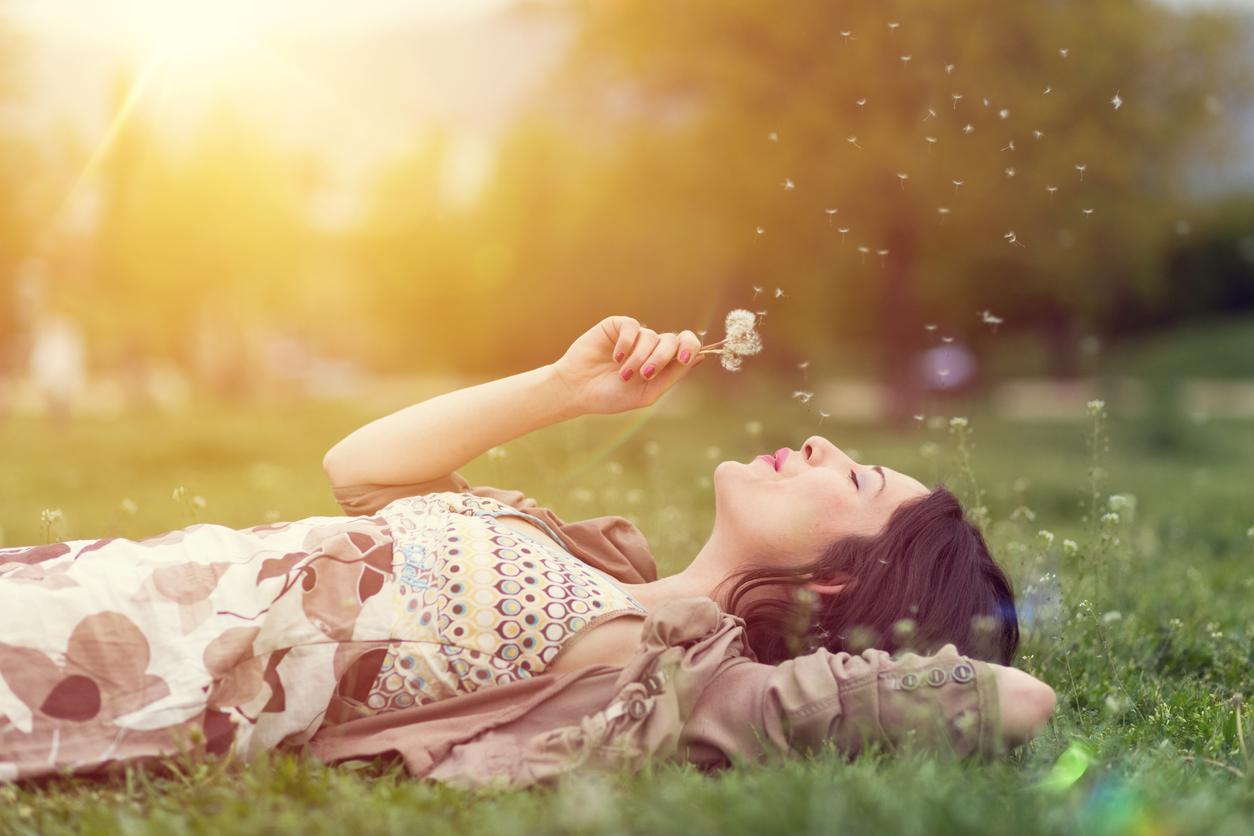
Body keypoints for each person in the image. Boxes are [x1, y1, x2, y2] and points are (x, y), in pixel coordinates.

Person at [0, 316, 1055, 785]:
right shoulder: (587, 556)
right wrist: (568, 390)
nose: (827, 444)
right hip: (104, 576)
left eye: (859, 479)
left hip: (137, 671)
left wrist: (862, 673)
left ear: (839, 578)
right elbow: (363, 464)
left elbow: (1018, 701)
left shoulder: (682, 684)